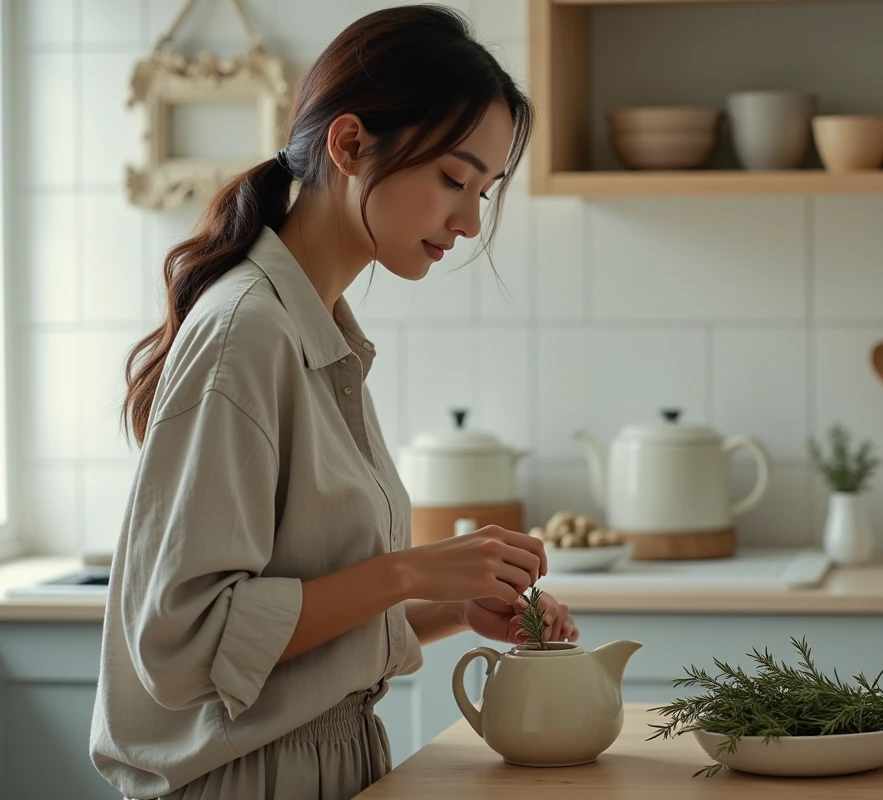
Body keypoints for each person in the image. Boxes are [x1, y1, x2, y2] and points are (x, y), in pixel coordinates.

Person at [88, 6, 576, 799]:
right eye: (454, 180)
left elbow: (289, 638)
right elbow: (184, 643)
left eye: (484, 192)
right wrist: (409, 570)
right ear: (349, 145)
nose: (468, 220)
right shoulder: (248, 332)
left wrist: (454, 607)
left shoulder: (317, 335)